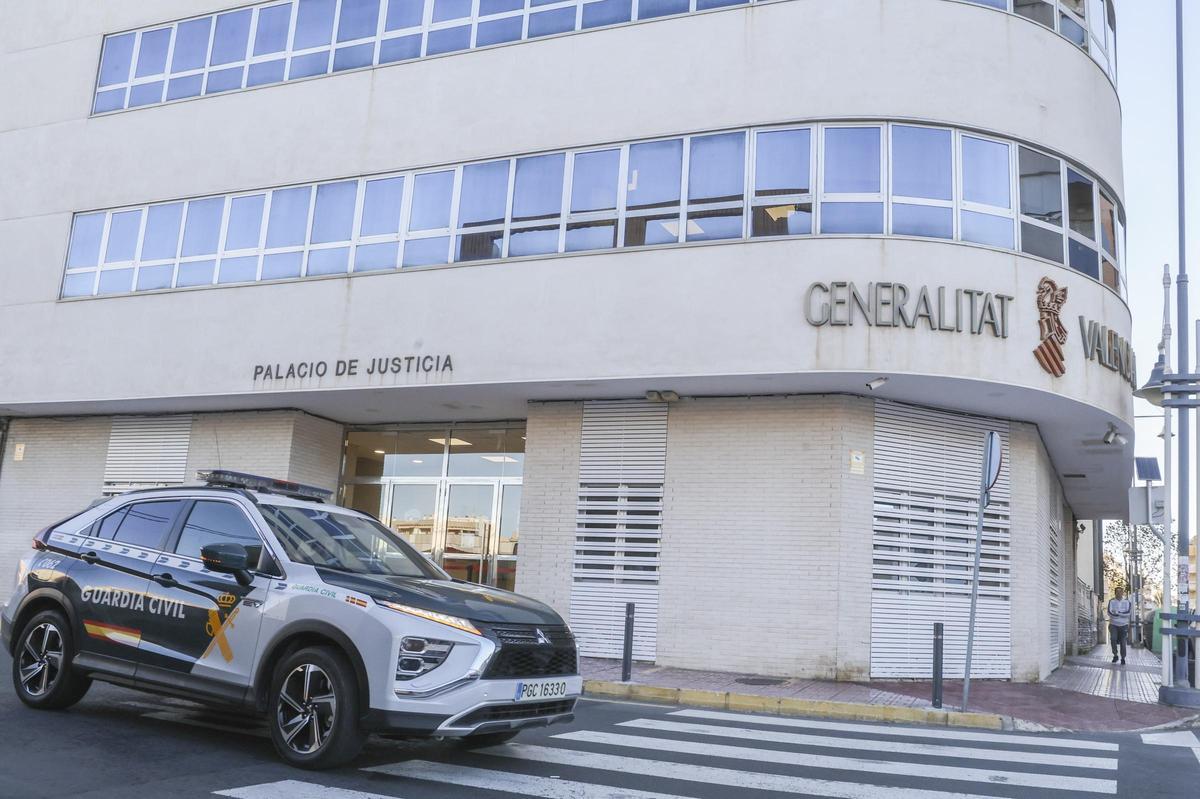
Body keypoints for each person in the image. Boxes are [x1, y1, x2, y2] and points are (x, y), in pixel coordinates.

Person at [1107, 587, 1132, 665]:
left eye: (1120, 592)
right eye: (1117, 592)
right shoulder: (1111, 601)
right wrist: (1120, 614)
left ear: (1122, 593)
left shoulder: (1127, 602)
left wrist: (1118, 613)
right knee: (1113, 639)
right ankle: (1115, 655)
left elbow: (1128, 613)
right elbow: (1109, 613)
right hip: (1113, 625)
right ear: (1115, 593)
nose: (1118, 593)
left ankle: (1123, 658)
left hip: (1124, 625)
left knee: (1123, 642)